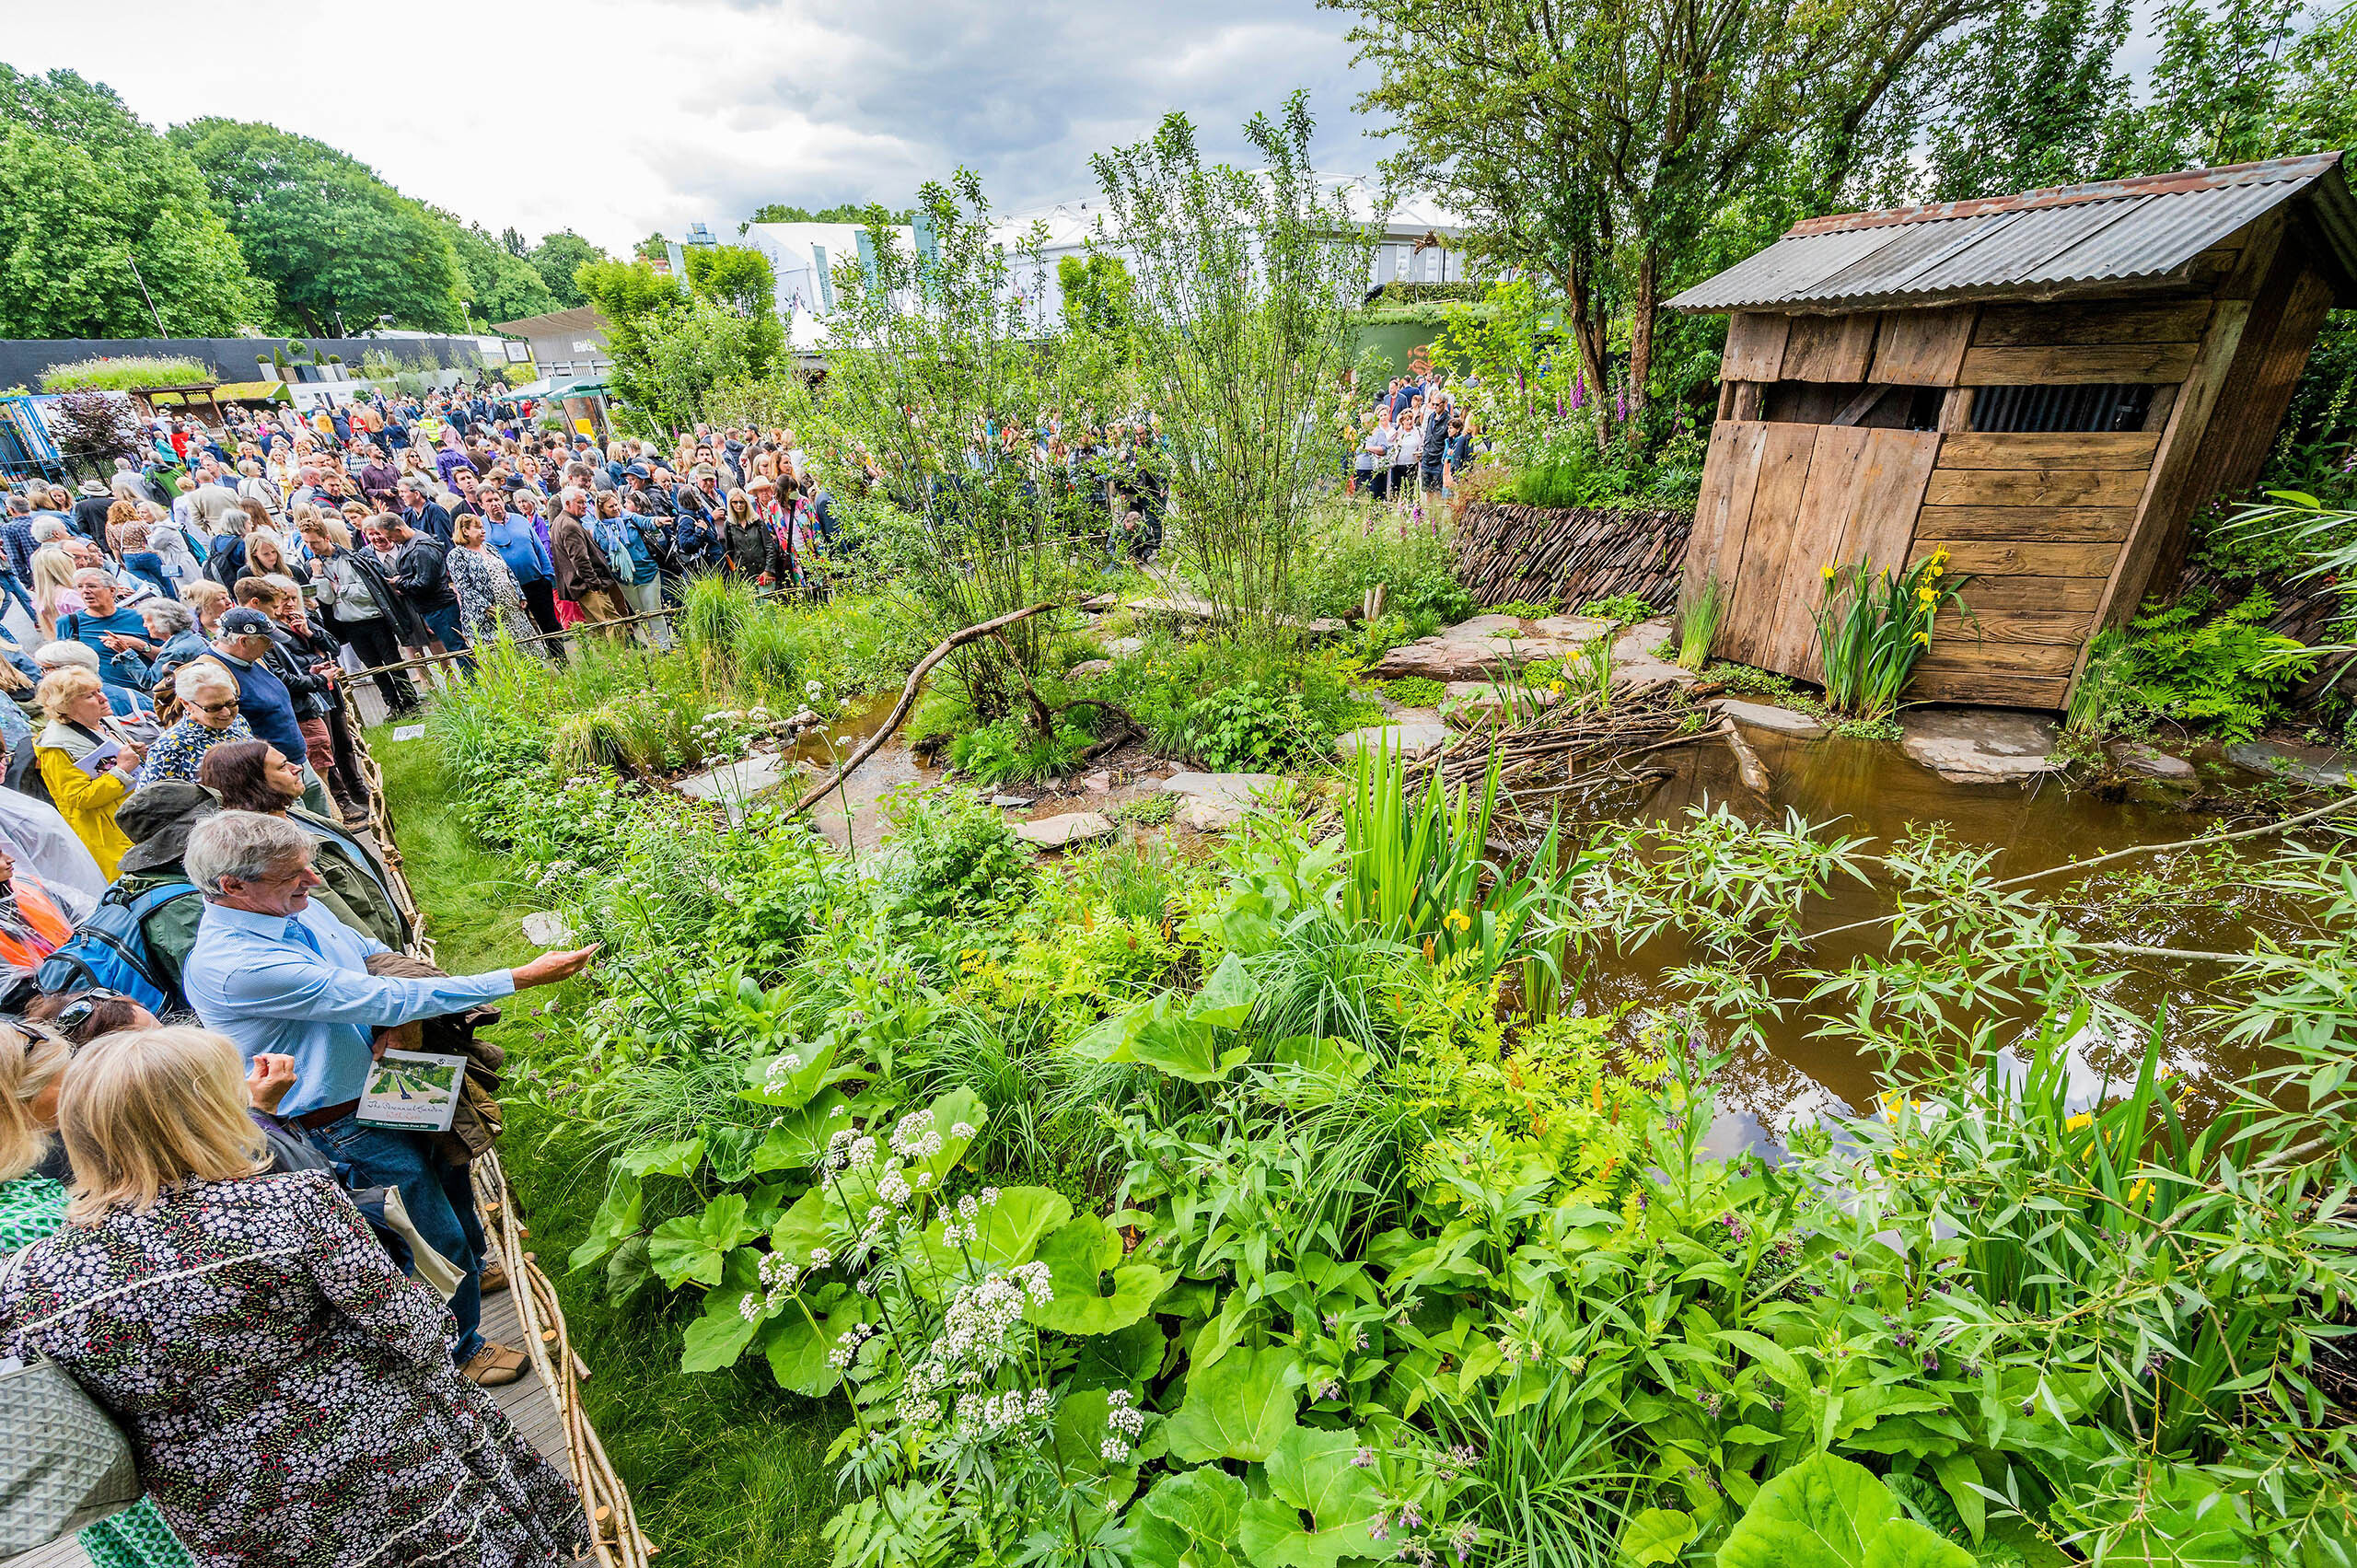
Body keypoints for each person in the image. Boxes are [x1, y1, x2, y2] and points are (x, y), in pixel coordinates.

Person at [0, 1026, 591, 1566]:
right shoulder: (286, 1204)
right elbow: (411, 1328)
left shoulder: (27, 1279)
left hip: (226, 1509)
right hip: (380, 1455)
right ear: (206, 1112)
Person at [178, 811, 599, 1385]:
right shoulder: (237, 967)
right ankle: (461, 1348)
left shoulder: (292, 906)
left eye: (308, 866)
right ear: (233, 886)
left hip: (396, 1074)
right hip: (341, 1118)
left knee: (453, 1173)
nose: (314, 881)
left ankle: (475, 1266)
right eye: (293, 874)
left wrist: (399, 1026)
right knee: (424, 1233)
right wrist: (518, 978)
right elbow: (378, 994)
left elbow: (373, 956)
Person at [0, 1016, 202, 1568]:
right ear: (22, 1099)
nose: (79, 1086)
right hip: (128, 1440)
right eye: (66, 1076)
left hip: (83, 1446)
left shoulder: (20, 1183)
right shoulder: (26, 1228)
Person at [197, 740, 406, 949]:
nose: (297, 768)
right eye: (282, 767)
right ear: (254, 783)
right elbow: (336, 916)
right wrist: (382, 956)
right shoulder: (276, 852)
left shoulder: (294, 814)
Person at [33, 666, 145, 877]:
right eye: (90, 696)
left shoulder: (106, 722)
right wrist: (121, 771)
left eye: (99, 691)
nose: (103, 698)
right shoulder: (56, 747)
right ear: (65, 705)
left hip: (135, 820)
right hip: (110, 838)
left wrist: (140, 755)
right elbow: (77, 798)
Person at [305, 516, 422, 716]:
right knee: (373, 666)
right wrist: (318, 576)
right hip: (349, 624)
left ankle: (410, 700)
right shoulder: (315, 565)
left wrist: (339, 588)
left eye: (314, 542)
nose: (311, 547)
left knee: (393, 661)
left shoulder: (350, 559)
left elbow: (366, 591)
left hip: (373, 619)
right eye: (307, 543)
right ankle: (392, 704)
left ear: (326, 538)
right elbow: (326, 598)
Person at [137, 662, 255, 787]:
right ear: (187, 704)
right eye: (213, 707)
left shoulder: (238, 721)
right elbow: (151, 796)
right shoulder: (169, 748)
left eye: (231, 703)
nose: (226, 713)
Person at [447, 512, 546, 660]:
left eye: (483, 527)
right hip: (489, 616)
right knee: (504, 657)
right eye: (478, 528)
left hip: (512, 609)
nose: (483, 531)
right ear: (465, 531)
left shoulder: (489, 548)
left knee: (529, 653)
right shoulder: (457, 555)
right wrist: (486, 606)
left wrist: (520, 595)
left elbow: (508, 572)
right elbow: (464, 587)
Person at [380, 516, 470, 675]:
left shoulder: (422, 548)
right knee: (457, 648)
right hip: (431, 607)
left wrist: (400, 583)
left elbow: (425, 583)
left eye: (390, 536)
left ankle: (476, 683)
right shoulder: (409, 543)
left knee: (458, 649)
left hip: (440, 607)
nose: (390, 541)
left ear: (398, 530)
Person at [56, 568, 158, 693]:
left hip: (149, 691)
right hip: (105, 694)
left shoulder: (141, 617)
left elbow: (165, 656)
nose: (85, 591)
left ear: (112, 590)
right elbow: (63, 665)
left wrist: (139, 645)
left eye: (92, 586)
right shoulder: (69, 622)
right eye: (80, 587)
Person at [549, 487, 627, 633]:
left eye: (585, 502)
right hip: (588, 586)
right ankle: (623, 649)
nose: (585, 506)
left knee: (598, 629)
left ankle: (609, 650)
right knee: (613, 624)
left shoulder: (561, 521)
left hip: (582, 585)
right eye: (580, 502)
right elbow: (579, 560)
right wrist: (594, 584)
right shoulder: (569, 525)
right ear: (567, 503)